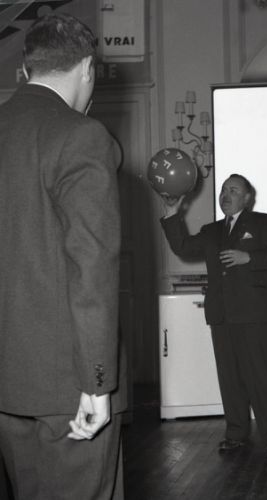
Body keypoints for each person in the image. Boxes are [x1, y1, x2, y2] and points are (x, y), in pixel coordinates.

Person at [0, 13, 126, 499]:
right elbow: (91, 267)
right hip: (67, 387)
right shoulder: (81, 135)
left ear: (27, 68)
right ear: (87, 67)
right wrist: (97, 382)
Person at [160, 174, 267, 454]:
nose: (226, 195)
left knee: (261, 377)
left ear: (247, 198)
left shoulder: (263, 222)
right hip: (221, 314)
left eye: (233, 190)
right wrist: (172, 213)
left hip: (254, 314)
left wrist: (250, 258)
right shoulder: (212, 230)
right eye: (223, 190)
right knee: (229, 379)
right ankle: (236, 434)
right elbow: (182, 247)